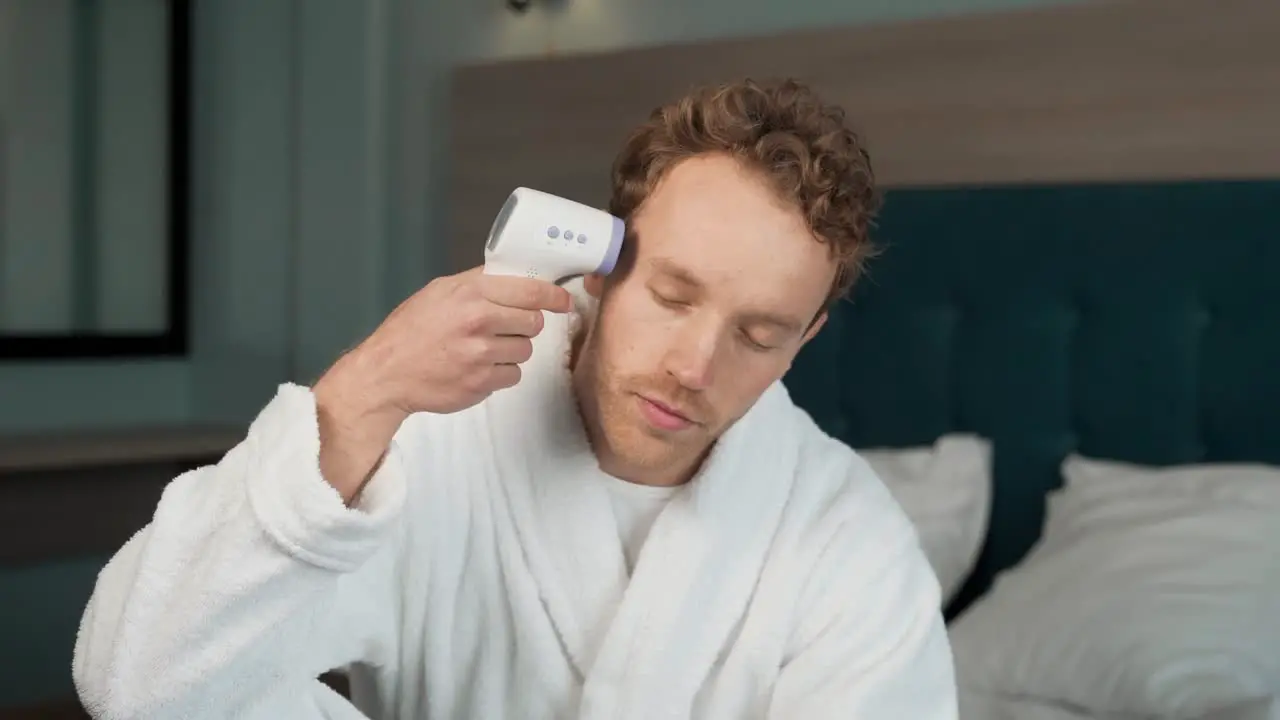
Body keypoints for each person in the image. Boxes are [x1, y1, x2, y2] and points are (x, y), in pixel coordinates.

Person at [73, 78, 957, 719]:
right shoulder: (431, 448)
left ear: (805, 340)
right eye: (673, 297)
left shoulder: (850, 541)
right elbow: (143, 681)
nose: (696, 365)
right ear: (604, 266)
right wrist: (362, 395)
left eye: (759, 336)